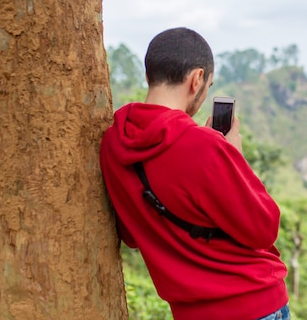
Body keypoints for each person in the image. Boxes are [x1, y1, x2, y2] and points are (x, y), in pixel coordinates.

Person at [99, 27, 290, 320]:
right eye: (208, 85)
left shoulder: (112, 144)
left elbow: (131, 234)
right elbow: (264, 229)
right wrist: (235, 158)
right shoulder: (205, 146)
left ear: (150, 75)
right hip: (253, 305)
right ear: (197, 79)